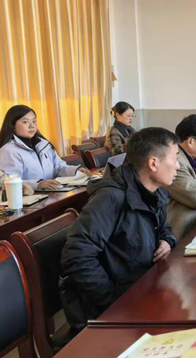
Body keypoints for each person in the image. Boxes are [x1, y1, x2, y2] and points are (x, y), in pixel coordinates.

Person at [60, 128, 179, 324]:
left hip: (144, 287)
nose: (178, 166)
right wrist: (112, 301)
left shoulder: (154, 191)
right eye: (175, 158)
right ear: (153, 163)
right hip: (117, 304)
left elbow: (163, 226)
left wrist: (167, 239)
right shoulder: (111, 197)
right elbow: (77, 254)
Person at [0, 105, 92, 190]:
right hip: (30, 198)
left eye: (34, 121)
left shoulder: (43, 144)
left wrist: (77, 171)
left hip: (51, 193)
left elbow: (59, 167)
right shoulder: (8, 150)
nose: (32, 126)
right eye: (25, 122)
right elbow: (9, 182)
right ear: (12, 125)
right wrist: (39, 184)